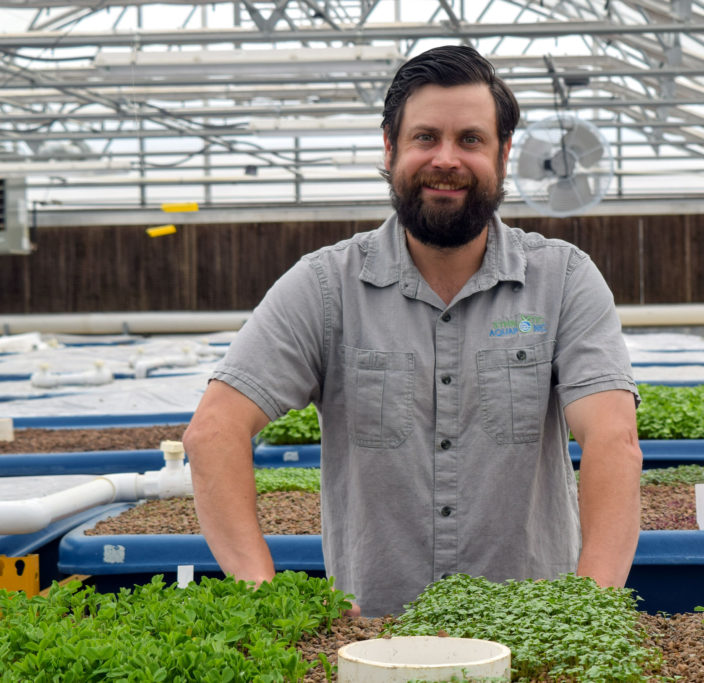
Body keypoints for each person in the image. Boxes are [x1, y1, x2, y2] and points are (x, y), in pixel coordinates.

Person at [182, 44, 642, 618]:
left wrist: (587, 615)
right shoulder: (327, 288)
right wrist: (267, 598)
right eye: (426, 137)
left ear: (503, 155)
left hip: (531, 648)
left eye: (470, 140)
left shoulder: (563, 280)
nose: (446, 159)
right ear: (390, 146)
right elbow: (214, 431)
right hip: (372, 649)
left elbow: (613, 440)